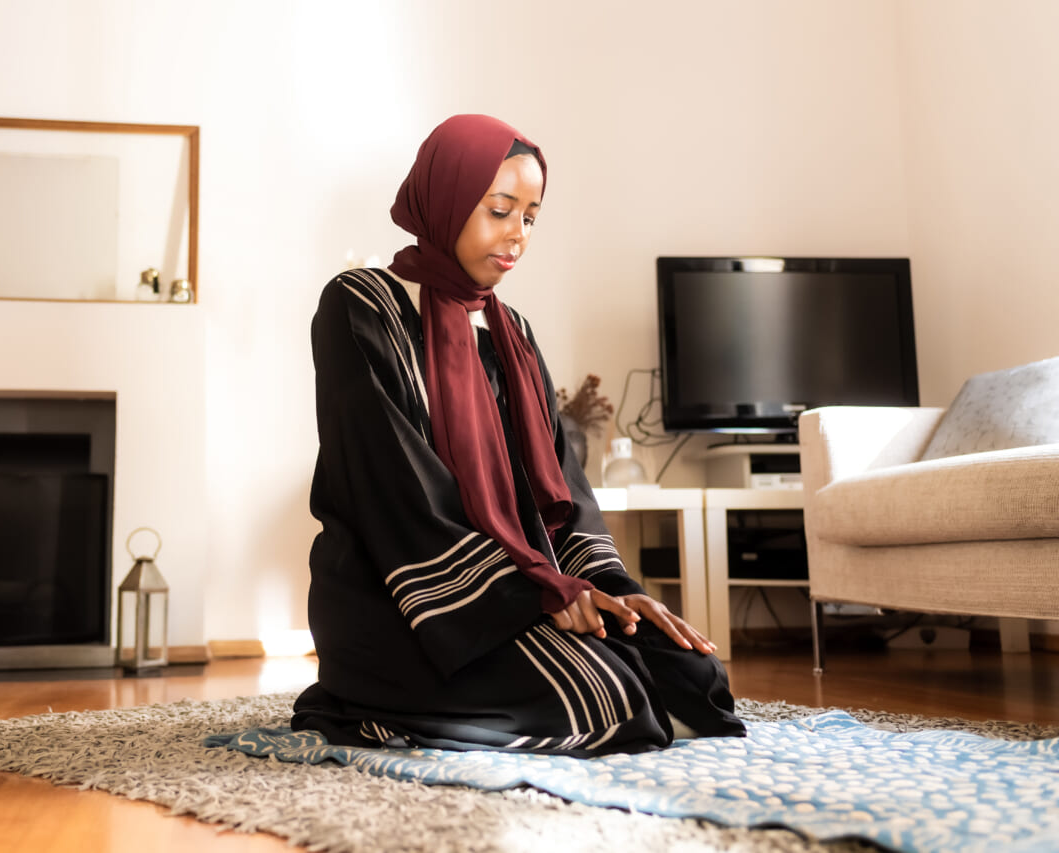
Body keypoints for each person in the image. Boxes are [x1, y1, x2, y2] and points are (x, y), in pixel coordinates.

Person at [292, 114, 744, 755]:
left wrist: (611, 590)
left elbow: (564, 485)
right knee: (602, 695)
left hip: (528, 589)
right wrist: (529, 596)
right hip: (409, 602)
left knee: (695, 675)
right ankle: (361, 696)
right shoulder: (362, 306)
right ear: (444, 200)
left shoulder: (514, 333)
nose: (517, 236)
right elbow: (391, 487)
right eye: (500, 210)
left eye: (530, 217)